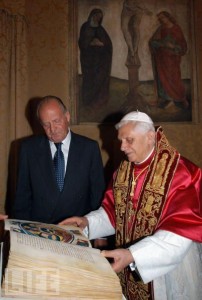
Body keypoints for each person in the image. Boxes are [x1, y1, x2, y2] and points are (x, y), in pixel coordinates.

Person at [60, 111, 202, 300]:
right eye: (121, 140)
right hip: (128, 262)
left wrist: (134, 254)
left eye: (129, 140)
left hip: (167, 270)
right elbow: (114, 213)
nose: (122, 147)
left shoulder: (180, 173)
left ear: (150, 137)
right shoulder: (124, 170)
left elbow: (180, 233)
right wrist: (87, 222)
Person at [13, 95, 105, 224]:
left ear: (67, 117)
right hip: (40, 231)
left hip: (77, 230)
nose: (52, 129)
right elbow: (22, 198)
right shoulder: (29, 149)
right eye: (46, 125)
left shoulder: (89, 148)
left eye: (56, 121)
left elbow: (98, 195)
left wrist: (101, 235)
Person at [149, 11, 189, 109]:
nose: (161, 20)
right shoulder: (161, 29)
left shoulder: (176, 29)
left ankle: (178, 99)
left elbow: (182, 46)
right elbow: (152, 41)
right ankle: (166, 99)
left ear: (168, 17)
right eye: (160, 19)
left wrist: (173, 46)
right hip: (161, 59)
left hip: (172, 59)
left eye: (163, 18)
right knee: (162, 78)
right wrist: (159, 44)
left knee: (173, 78)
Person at [78, 8, 112, 108]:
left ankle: (99, 102)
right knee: (89, 80)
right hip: (88, 61)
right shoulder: (85, 27)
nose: (98, 18)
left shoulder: (101, 29)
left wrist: (102, 43)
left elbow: (108, 44)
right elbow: (82, 42)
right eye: (97, 16)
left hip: (100, 61)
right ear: (92, 15)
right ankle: (88, 102)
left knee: (100, 79)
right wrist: (91, 42)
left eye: (100, 17)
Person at [121, 0, 152, 65]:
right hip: (127, 8)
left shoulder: (139, 3)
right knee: (124, 28)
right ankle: (132, 50)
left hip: (138, 8)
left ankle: (134, 51)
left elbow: (143, 7)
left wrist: (144, 10)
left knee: (135, 27)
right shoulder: (127, 4)